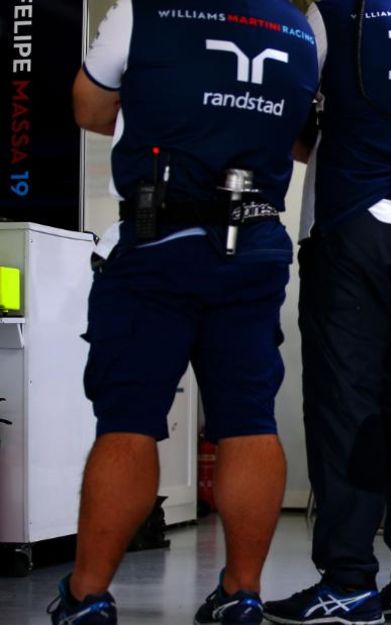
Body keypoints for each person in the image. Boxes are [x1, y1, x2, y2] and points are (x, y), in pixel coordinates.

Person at [54, 1, 318, 624]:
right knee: (249, 419)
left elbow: (89, 110)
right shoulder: (298, 26)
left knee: (130, 420)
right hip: (255, 245)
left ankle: (88, 596)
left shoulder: (142, 10)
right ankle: (243, 593)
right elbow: (303, 138)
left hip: (158, 239)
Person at [262, 1, 391, 624]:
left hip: (351, 226)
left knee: (345, 410)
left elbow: (291, 118)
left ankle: (348, 579)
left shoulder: (335, 13)